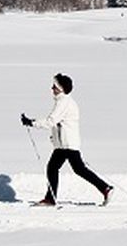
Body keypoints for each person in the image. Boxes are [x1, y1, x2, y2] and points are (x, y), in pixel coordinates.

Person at [21, 73, 113, 206]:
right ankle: (51, 198)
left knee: (73, 169)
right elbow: (57, 124)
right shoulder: (62, 101)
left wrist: (31, 122)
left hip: (67, 144)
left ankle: (105, 189)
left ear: (61, 89)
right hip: (63, 145)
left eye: (54, 86)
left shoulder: (64, 102)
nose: (51, 88)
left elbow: (51, 121)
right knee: (58, 168)